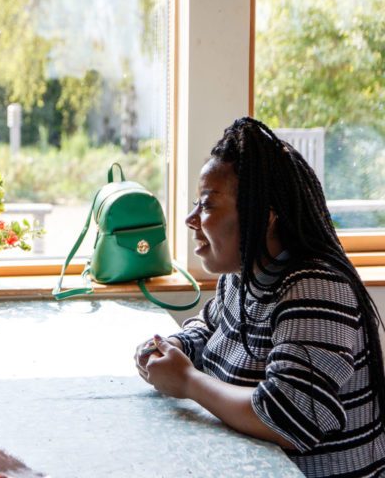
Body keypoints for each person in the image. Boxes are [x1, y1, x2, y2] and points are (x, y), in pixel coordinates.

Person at [135, 117, 385, 478]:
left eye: (207, 205)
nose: (191, 219)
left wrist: (188, 381)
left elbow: (289, 418)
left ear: (264, 217)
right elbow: (205, 332)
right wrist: (169, 347)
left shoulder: (315, 288)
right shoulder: (243, 276)